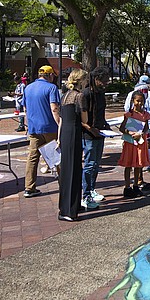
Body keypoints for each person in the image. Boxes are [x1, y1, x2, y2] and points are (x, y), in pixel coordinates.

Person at [22, 65, 61, 198]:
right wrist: (60, 124)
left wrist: (29, 125)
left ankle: (29, 187)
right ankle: (64, 184)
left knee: (32, 158)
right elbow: (54, 108)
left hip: (34, 128)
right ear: (50, 75)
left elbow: (25, 109)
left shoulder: (28, 88)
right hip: (50, 127)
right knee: (57, 156)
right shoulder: (52, 88)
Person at [57, 68, 89, 221]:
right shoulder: (79, 96)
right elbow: (85, 120)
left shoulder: (64, 96)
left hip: (65, 133)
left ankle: (69, 206)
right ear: (81, 81)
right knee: (73, 170)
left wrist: (58, 138)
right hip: (74, 133)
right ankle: (69, 211)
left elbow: (61, 120)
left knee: (68, 170)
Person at [81, 66, 110, 208]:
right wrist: (91, 129)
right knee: (89, 164)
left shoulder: (100, 94)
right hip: (89, 135)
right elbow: (82, 118)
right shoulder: (86, 94)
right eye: (104, 81)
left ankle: (91, 189)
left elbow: (101, 114)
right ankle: (85, 195)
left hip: (100, 132)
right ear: (96, 79)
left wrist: (106, 126)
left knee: (96, 164)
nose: (106, 83)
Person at [119, 90, 150, 198]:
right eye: (137, 101)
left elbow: (146, 127)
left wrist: (141, 133)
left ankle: (136, 185)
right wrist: (129, 132)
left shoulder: (145, 114)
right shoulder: (129, 114)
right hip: (130, 143)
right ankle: (127, 187)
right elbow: (122, 128)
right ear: (133, 101)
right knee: (128, 165)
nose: (139, 103)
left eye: (141, 101)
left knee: (138, 164)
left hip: (140, 142)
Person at [124, 75, 150, 172]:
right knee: (147, 145)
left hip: (134, 122)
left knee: (137, 145)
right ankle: (147, 165)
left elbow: (126, 107)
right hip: (145, 122)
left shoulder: (131, 93)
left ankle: (134, 165)